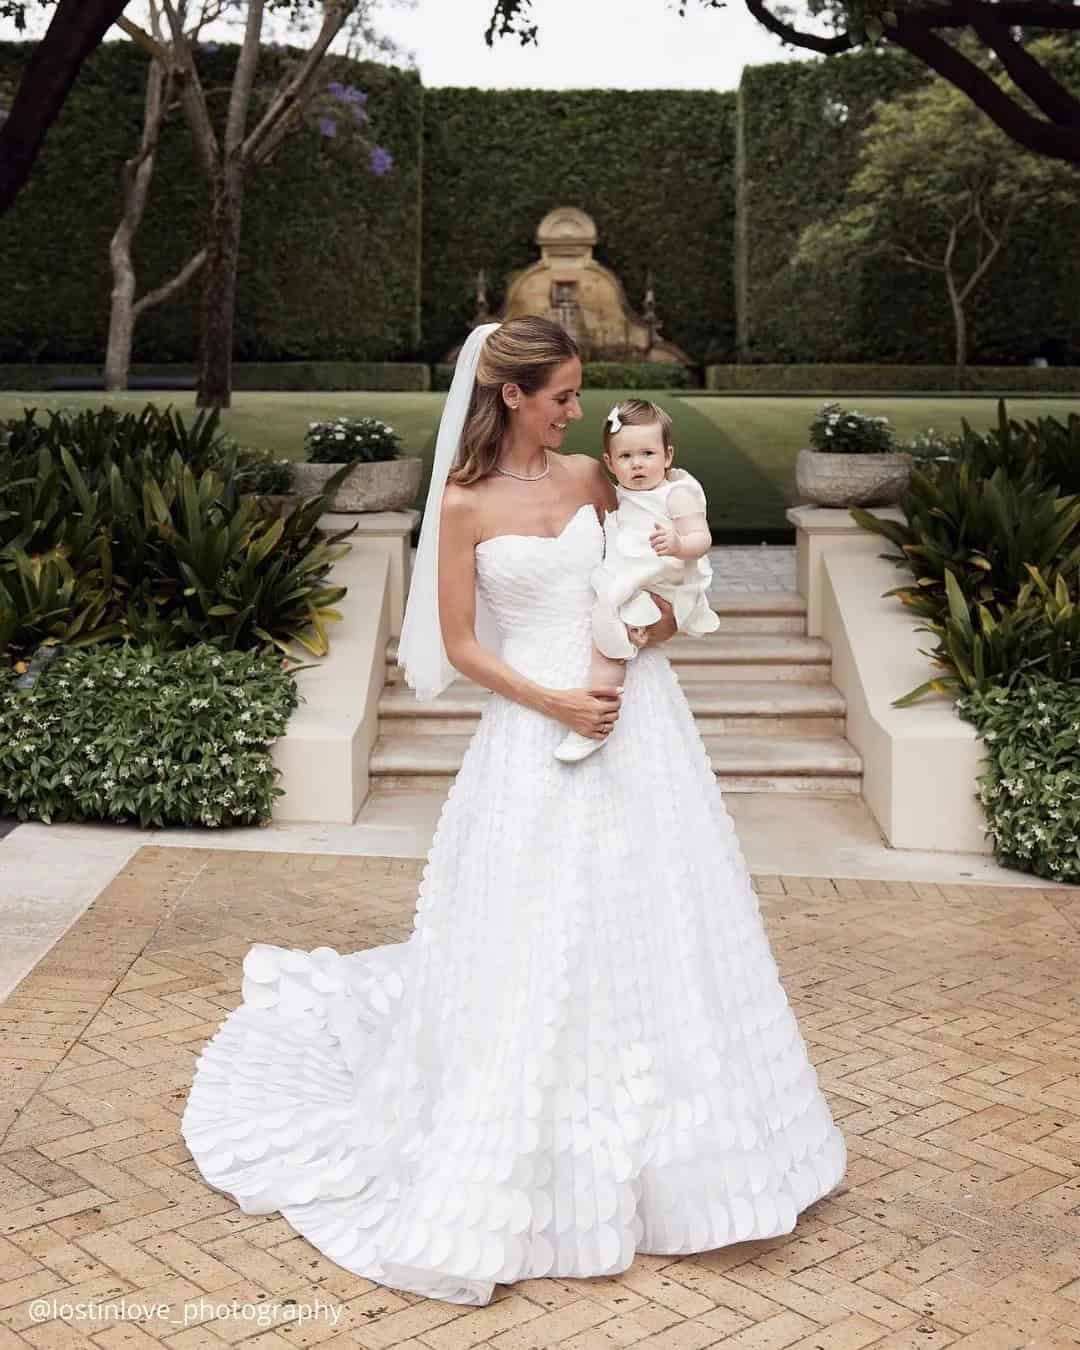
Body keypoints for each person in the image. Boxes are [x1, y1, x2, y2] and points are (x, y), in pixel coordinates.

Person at [180, 315, 846, 1308]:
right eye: (566, 395)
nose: (582, 412)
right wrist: (555, 703)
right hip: (536, 728)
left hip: (638, 719)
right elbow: (457, 644)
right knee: (535, 927)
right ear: (512, 397)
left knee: (661, 914)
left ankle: (684, 1151)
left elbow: (650, 579)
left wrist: (658, 615)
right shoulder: (460, 503)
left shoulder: (591, 481)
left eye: (582, 395)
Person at [554, 397, 720, 763]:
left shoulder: (676, 494)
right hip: (633, 577)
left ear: (668, 455)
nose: (638, 463)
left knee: (607, 637)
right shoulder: (623, 494)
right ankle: (630, 641)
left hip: (661, 577)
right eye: (626, 457)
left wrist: (679, 543)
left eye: (647, 453)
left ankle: (597, 715)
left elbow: (701, 537)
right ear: (610, 463)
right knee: (614, 616)